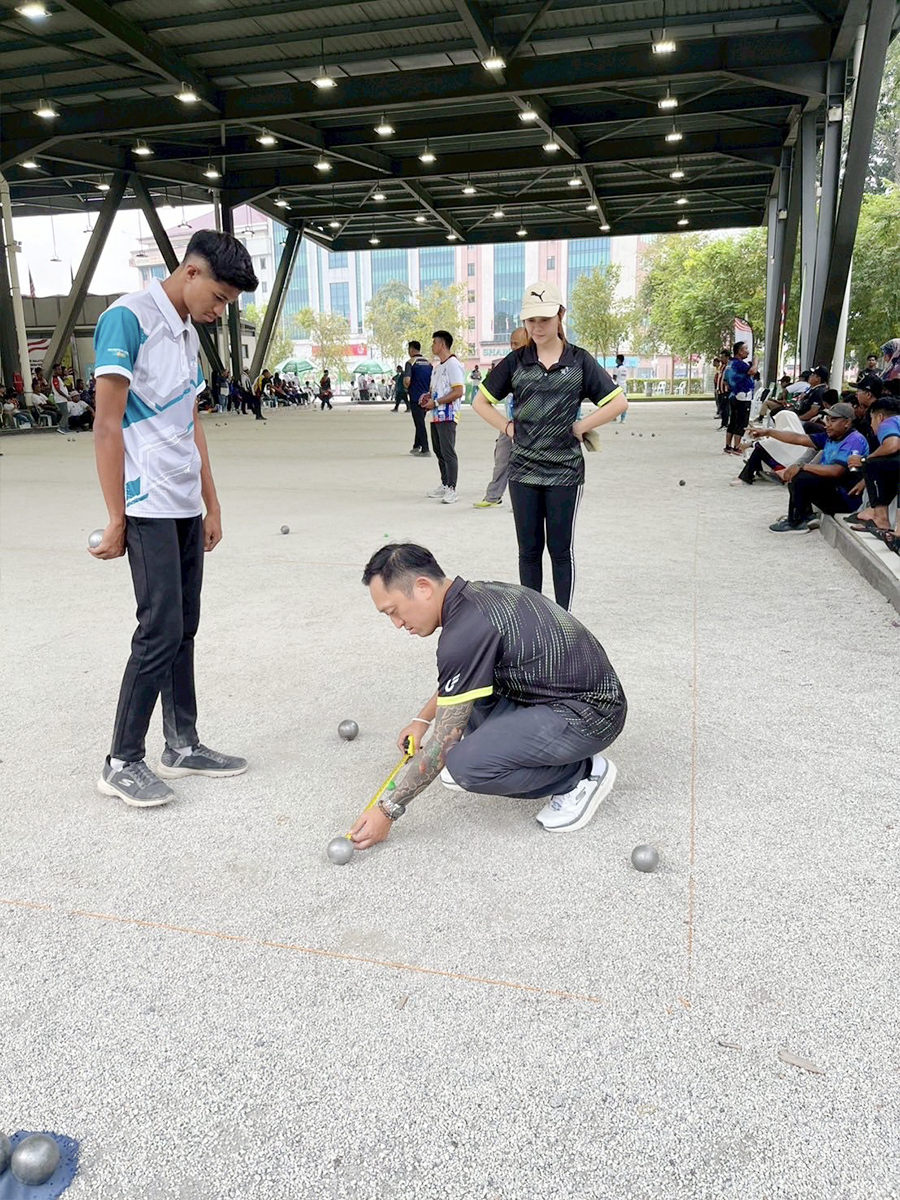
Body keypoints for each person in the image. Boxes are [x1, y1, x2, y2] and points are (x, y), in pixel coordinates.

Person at [89, 228, 258, 807]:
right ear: (191, 272)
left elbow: (191, 425)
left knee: (184, 627)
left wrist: (211, 502)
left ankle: (181, 743)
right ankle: (121, 760)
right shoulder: (127, 319)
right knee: (158, 628)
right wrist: (116, 516)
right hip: (145, 503)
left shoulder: (186, 332)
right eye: (219, 298)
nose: (218, 312)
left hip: (184, 502)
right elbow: (106, 425)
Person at [349, 543, 627, 849]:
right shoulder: (474, 597)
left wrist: (388, 811)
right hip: (560, 696)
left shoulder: (465, 631)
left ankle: (580, 776)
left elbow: (444, 741)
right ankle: (520, 751)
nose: (397, 623)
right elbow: (460, 678)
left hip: (591, 714)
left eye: (394, 611)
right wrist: (421, 720)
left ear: (423, 587)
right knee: (468, 701)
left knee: (466, 766)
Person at [472, 281, 626, 611]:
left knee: (560, 550)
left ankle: (564, 619)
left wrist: (580, 427)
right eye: (531, 320)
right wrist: (508, 427)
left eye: (545, 319)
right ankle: (535, 619)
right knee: (528, 551)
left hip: (565, 472)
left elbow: (617, 402)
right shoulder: (516, 361)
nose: (538, 327)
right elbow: (480, 402)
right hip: (523, 470)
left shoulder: (580, 361)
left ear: (560, 315)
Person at [747, 401, 869, 532]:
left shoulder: (854, 440)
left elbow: (836, 471)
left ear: (847, 422)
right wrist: (768, 432)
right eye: (827, 420)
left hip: (847, 498)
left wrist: (801, 466)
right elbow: (798, 439)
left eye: (833, 420)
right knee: (799, 475)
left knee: (801, 476)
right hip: (834, 489)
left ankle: (797, 522)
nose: (828, 425)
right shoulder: (832, 436)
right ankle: (804, 515)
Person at [473, 327, 527, 508]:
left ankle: (525, 503)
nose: (513, 346)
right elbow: (483, 399)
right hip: (509, 424)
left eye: (517, 343)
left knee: (527, 464)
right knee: (501, 458)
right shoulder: (509, 365)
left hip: (530, 426)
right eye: (511, 343)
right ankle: (493, 496)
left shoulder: (536, 366)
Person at [845, 396, 900, 541]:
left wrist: (864, 459)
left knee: (872, 464)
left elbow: (892, 445)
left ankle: (880, 517)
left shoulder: (888, 423)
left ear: (880, 417)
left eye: (872, 420)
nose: (871, 425)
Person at [422, 330, 465, 504]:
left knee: (448, 452)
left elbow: (458, 391)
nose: (432, 346)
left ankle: (452, 488)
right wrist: (427, 398)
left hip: (448, 415)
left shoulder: (453, 364)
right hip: (436, 415)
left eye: (434, 342)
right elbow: (434, 391)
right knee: (438, 450)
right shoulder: (438, 367)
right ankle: (445, 483)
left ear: (442, 344)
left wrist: (437, 402)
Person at [723, 342, 754, 454]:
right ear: (740, 351)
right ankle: (737, 446)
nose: (748, 351)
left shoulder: (730, 364)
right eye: (746, 349)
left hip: (733, 394)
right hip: (743, 395)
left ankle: (728, 445)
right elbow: (752, 371)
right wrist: (755, 363)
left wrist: (733, 387)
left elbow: (725, 381)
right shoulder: (740, 364)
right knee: (741, 422)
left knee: (733, 421)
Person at [403, 340, 431, 455]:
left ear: (411, 350)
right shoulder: (428, 363)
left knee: (419, 423)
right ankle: (416, 445)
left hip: (415, 397)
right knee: (420, 421)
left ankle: (425, 448)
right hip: (426, 398)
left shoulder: (410, 362)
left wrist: (406, 386)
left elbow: (407, 380)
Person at [51, 363, 71, 434]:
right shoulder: (55, 378)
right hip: (60, 399)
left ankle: (65, 427)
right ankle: (61, 427)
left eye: (60, 369)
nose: (60, 371)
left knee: (65, 413)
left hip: (63, 399)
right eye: (58, 369)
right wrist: (66, 396)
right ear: (54, 370)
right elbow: (58, 390)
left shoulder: (59, 378)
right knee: (65, 413)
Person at [613, 353, 628, 422]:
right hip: (624, 387)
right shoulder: (625, 368)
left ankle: (614, 417)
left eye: (616, 359)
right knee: (623, 403)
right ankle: (623, 419)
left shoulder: (616, 368)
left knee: (614, 403)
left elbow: (614, 378)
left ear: (618, 360)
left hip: (618, 387)